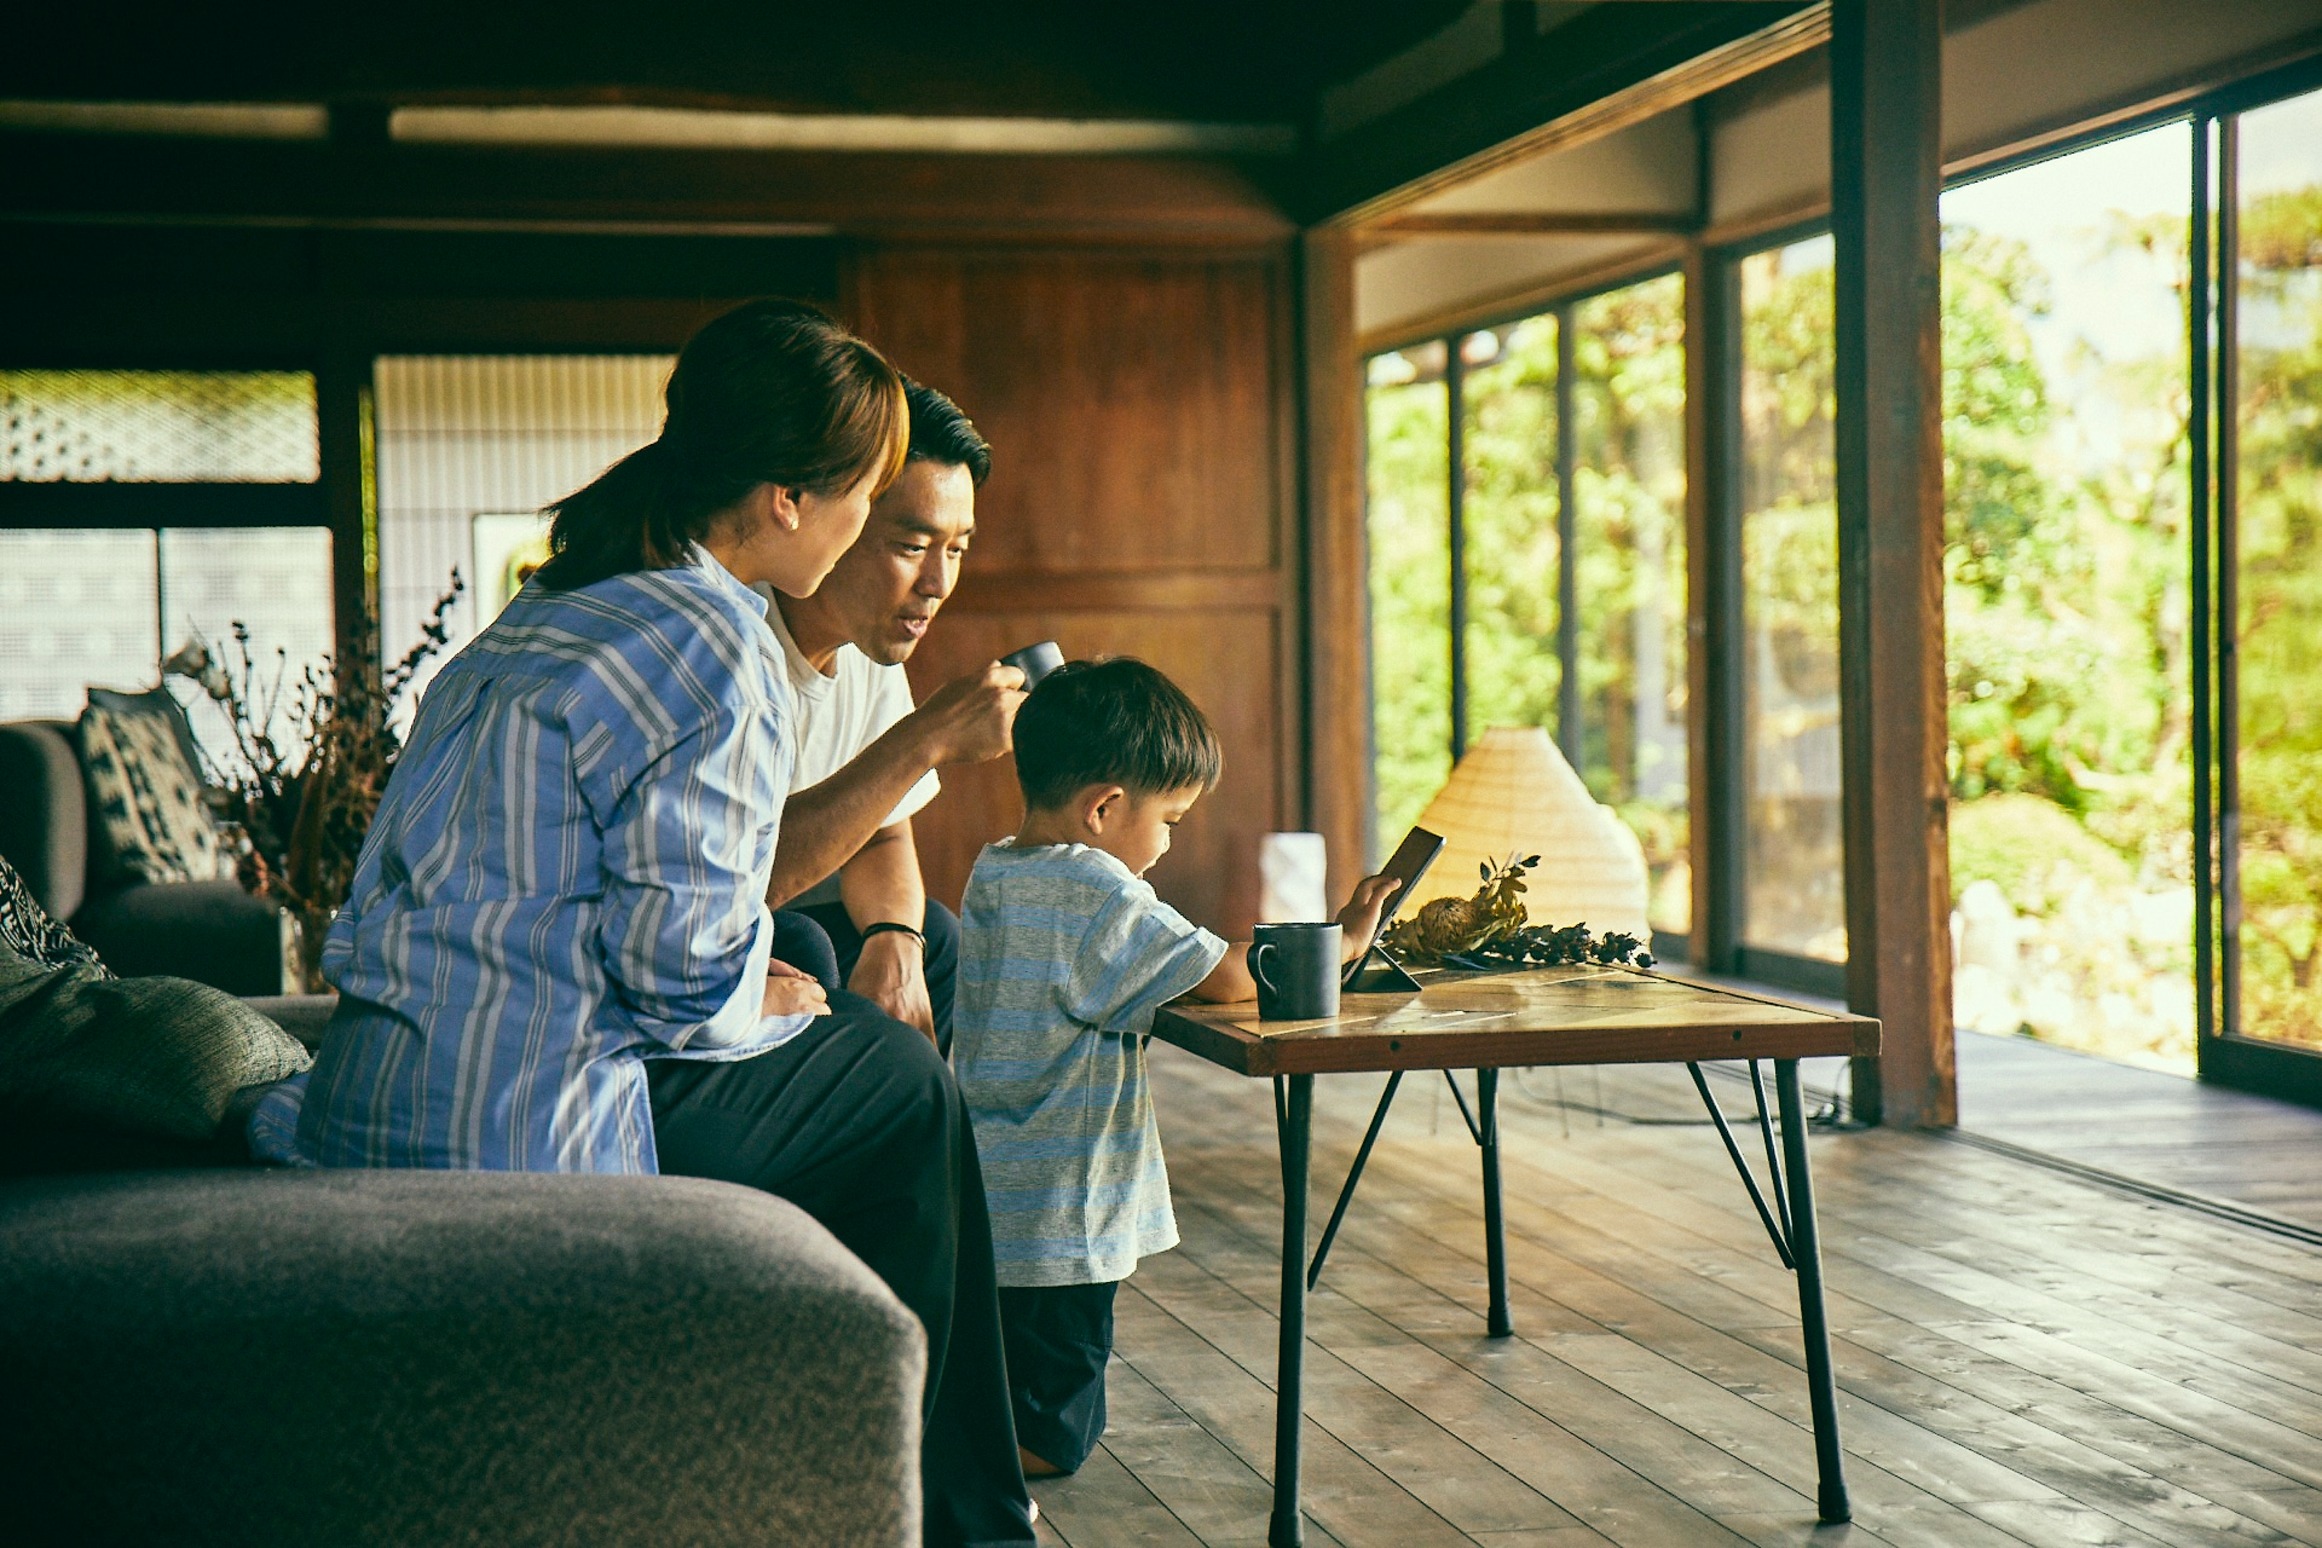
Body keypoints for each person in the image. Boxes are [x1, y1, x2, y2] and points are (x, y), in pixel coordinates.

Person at [248, 298, 1037, 1547]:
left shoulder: (561, 603)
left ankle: (833, 1445)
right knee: (903, 1090)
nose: (883, 539)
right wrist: (754, 994)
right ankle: (952, 1519)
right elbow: (679, 980)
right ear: (789, 500)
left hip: (384, 1084)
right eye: (869, 499)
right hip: (520, 1114)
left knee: (843, 994)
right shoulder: (714, 642)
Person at [951, 657, 1395, 1480]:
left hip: (994, 1186)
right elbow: (1229, 978)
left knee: (1008, 1373)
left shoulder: (998, 869)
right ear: (1106, 809)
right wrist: (1349, 941)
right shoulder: (1095, 889)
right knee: (1054, 1433)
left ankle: (963, 1447)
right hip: (1061, 1209)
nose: (1167, 842)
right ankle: (963, 1479)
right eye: (1173, 819)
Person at [757, 381, 1005, 1054]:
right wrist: (926, 737)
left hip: (783, 928)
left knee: (933, 937)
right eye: (911, 544)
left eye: (955, 549)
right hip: (702, 949)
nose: (938, 583)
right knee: (800, 940)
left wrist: (894, 938)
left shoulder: (871, 656)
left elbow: (881, 834)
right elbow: (742, 874)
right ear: (838, 513)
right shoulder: (733, 640)